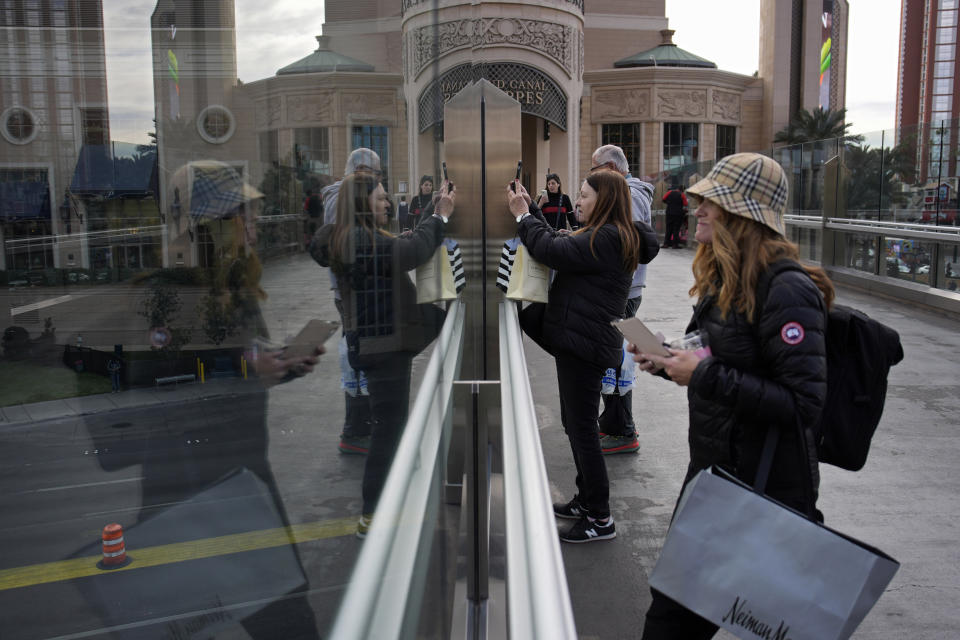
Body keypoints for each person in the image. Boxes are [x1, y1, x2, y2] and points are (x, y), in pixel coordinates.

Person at [629, 153, 833, 639]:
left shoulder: (787, 289)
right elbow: (715, 361)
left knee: (680, 623)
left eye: (711, 203)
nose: (697, 209)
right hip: (714, 476)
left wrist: (702, 377)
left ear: (742, 217)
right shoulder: (723, 279)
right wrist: (667, 361)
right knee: (675, 617)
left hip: (762, 490)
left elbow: (804, 403)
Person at [507, 169, 657, 543]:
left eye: (585, 195)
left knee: (583, 430)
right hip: (580, 342)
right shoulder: (605, 235)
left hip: (584, 345)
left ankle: (600, 517)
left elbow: (552, 250)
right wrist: (533, 211)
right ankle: (586, 500)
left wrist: (523, 217)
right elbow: (561, 242)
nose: (578, 200)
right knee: (576, 424)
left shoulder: (607, 237)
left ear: (604, 200)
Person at [312, 172, 456, 537]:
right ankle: (372, 515)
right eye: (379, 198)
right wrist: (439, 216)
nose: (387, 203)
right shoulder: (361, 242)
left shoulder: (353, 239)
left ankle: (388, 501)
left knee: (390, 427)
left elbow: (403, 246)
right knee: (387, 431)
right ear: (362, 204)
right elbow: (412, 252)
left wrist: (432, 215)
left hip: (378, 343)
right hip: (384, 345)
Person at [590, 144, 655, 455]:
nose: (593, 178)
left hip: (623, 292)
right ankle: (616, 424)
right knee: (618, 359)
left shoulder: (628, 194)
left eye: (596, 171)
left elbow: (624, 243)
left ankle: (623, 430)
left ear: (612, 169)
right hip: (626, 290)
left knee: (617, 362)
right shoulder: (629, 192)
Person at [320, 148, 382, 454]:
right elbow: (346, 243)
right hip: (349, 289)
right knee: (355, 350)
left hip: (351, 286)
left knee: (357, 348)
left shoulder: (343, 194)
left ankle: (361, 425)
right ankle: (355, 430)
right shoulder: (340, 197)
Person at [661, 184, 688, 248]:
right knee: (676, 229)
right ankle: (675, 244)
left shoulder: (670, 192)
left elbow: (663, 199)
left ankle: (666, 244)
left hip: (669, 213)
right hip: (678, 214)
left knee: (668, 228)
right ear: (683, 190)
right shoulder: (682, 195)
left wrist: (669, 203)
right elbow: (685, 203)